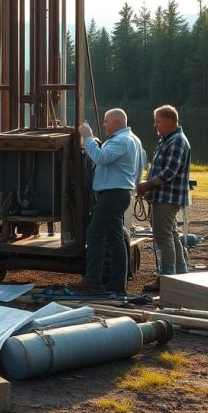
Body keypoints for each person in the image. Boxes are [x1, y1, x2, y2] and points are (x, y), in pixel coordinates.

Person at [77, 109, 146, 293]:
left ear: (116, 122)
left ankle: (95, 280)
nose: (104, 124)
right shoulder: (135, 140)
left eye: (106, 121)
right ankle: (115, 283)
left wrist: (88, 137)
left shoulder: (121, 141)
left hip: (112, 194)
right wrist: (134, 187)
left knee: (96, 235)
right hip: (119, 193)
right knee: (112, 238)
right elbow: (140, 167)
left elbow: (99, 157)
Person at [137, 104, 192, 292]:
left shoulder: (176, 141)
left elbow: (169, 172)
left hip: (167, 198)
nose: (155, 125)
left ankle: (167, 278)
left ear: (170, 121)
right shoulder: (167, 139)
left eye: (158, 121)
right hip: (165, 196)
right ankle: (180, 274)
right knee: (172, 234)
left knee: (163, 237)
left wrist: (146, 185)